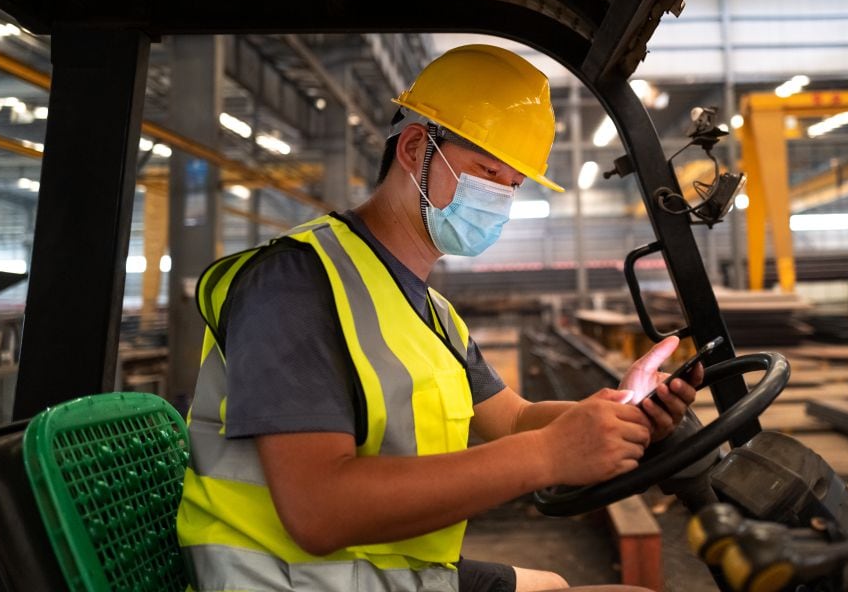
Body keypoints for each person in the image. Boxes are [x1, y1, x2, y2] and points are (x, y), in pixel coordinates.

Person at [176, 45, 703, 592]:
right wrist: (549, 456)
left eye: (513, 184)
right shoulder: (296, 284)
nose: (499, 197)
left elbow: (514, 420)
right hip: (287, 581)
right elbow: (318, 511)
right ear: (413, 148)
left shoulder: (433, 313)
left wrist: (622, 413)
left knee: (555, 584)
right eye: (486, 172)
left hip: (376, 574)